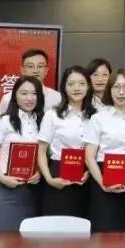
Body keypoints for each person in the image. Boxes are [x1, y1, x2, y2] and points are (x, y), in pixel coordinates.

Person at [83, 69, 125, 232]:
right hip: (103, 174)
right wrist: (103, 182)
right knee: (104, 229)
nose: (121, 92)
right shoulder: (98, 118)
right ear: (109, 90)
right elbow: (89, 157)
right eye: (116, 87)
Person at [0, 76, 44, 232]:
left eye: (34, 93)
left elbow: (43, 155)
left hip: (32, 191)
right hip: (6, 190)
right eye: (24, 93)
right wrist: (3, 178)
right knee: (4, 240)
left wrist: (39, 172)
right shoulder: (5, 121)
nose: (29, 98)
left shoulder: (42, 122)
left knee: (29, 240)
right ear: (15, 96)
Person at [37, 66, 95, 218]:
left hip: (88, 176)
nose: (77, 88)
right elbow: (41, 151)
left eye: (81, 83)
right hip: (58, 176)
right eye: (71, 84)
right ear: (64, 87)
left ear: (88, 86)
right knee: (57, 225)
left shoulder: (96, 116)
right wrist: (49, 179)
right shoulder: (52, 115)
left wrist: (90, 172)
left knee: (84, 224)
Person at [0, 49, 61, 119]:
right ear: (22, 70)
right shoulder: (8, 98)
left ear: (46, 70)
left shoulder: (57, 98)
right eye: (30, 66)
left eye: (40, 66)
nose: (35, 70)